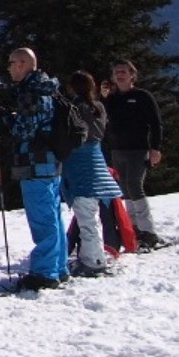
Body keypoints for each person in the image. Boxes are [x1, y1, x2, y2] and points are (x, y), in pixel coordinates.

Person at [6, 47, 68, 290]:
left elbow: (23, 130)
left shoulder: (30, 93)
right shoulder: (48, 89)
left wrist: (7, 118)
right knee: (53, 215)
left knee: (42, 219)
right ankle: (58, 266)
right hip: (51, 162)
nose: (9, 68)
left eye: (11, 63)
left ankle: (44, 272)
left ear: (22, 64)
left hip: (34, 162)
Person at [104, 60, 169, 250]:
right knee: (124, 188)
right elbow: (104, 119)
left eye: (123, 71)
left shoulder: (142, 96)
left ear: (132, 75)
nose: (119, 75)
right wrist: (104, 98)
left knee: (134, 185)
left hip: (138, 149)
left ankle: (148, 232)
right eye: (116, 72)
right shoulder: (112, 99)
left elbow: (156, 123)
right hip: (117, 150)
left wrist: (155, 148)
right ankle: (133, 229)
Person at [63, 70, 122, 276]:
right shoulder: (99, 107)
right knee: (91, 216)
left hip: (79, 166)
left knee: (86, 218)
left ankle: (93, 260)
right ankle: (92, 256)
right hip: (97, 162)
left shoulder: (73, 109)